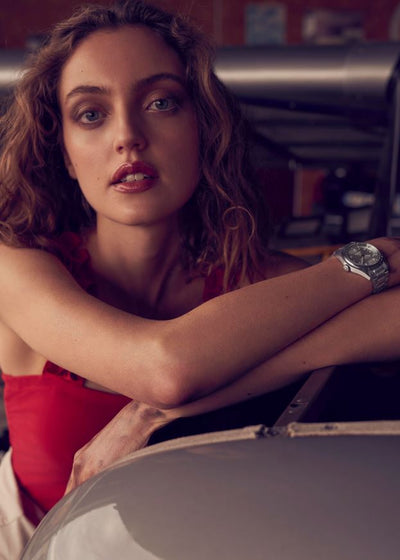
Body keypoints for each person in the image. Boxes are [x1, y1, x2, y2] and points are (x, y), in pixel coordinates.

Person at [1, 0, 400, 557]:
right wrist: (368, 262)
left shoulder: (261, 283)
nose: (128, 136)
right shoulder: (16, 264)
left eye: (161, 102)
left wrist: (157, 415)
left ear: (202, 127)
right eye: (91, 114)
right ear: (65, 154)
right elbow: (165, 370)